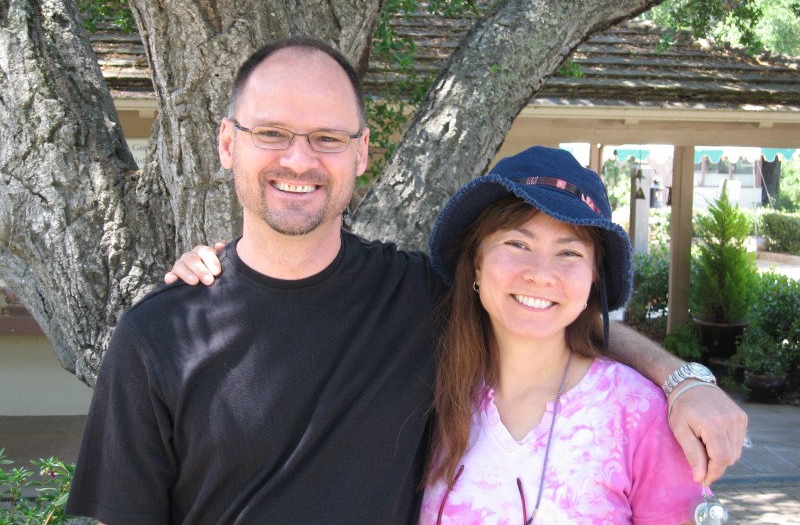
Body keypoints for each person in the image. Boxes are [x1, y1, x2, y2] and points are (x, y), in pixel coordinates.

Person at [68, 36, 745, 524]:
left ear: (361, 151)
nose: (299, 159)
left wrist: (682, 380)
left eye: (328, 137)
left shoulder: (417, 299)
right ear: (227, 143)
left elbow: (546, 314)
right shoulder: (159, 333)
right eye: (272, 132)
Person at [419, 145, 707, 523]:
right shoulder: (426, 392)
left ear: (593, 278)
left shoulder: (639, 414)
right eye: (517, 244)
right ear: (476, 262)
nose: (540, 273)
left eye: (569, 253)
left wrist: (690, 382)